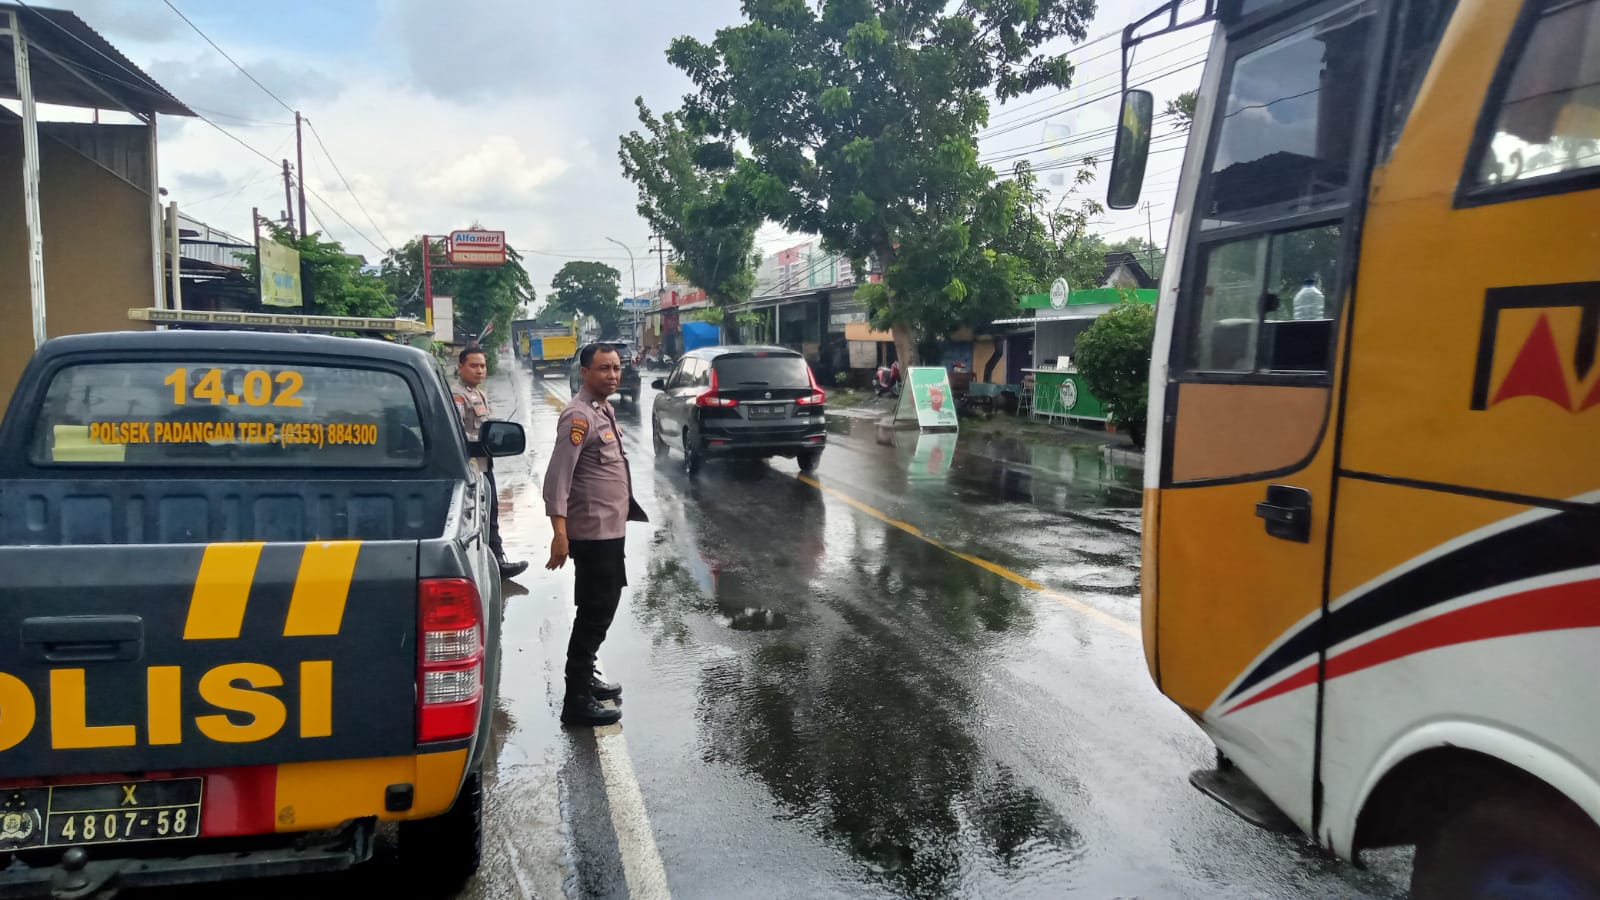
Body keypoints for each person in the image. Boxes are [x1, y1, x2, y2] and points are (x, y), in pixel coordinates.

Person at [543, 343, 648, 727]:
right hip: (592, 532)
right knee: (595, 611)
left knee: (603, 603)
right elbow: (558, 478)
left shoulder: (603, 409)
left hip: (610, 529)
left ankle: (586, 679)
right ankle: (576, 700)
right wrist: (559, 532)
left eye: (617, 368)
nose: (613, 375)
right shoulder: (577, 417)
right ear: (585, 371)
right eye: (604, 368)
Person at [451, 346, 529, 580]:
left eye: (483, 366)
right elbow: (456, 433)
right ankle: (486, 565)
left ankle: (497, 561)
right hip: (470, 469)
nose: (479, 370)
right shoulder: (458, 395)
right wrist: (480, 442)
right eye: (474, 365)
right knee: (477, 518)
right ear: (461, 367)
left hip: (485, 465)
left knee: (492, 514)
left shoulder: (479, 394)